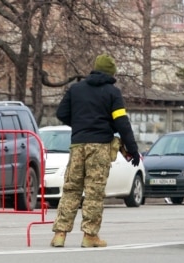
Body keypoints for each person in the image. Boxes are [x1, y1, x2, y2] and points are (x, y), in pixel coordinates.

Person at [51, 54, 141, 248]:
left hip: (77, 146)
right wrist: (132, 149)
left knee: (71, 189)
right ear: (111, 73)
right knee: (93, 191)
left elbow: (61, 113)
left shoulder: (75, 89)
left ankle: (60, 234)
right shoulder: (112, 93)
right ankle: (90, 236)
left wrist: (80, 125)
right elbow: (122, 123)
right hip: (99, 146)